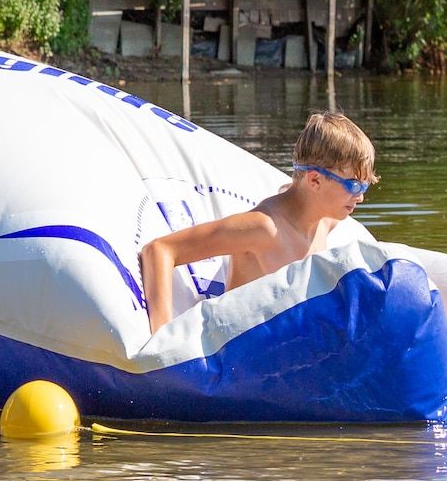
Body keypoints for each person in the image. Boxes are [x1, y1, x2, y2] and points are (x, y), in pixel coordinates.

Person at [138, 111, 378, 335]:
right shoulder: (264, 229)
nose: (361, 196)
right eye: (354, 185)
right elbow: (160, 250)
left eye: (365, 185)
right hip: (237, 352)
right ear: (315, 180)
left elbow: (290, 190)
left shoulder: (325, 221)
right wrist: (162, 339)